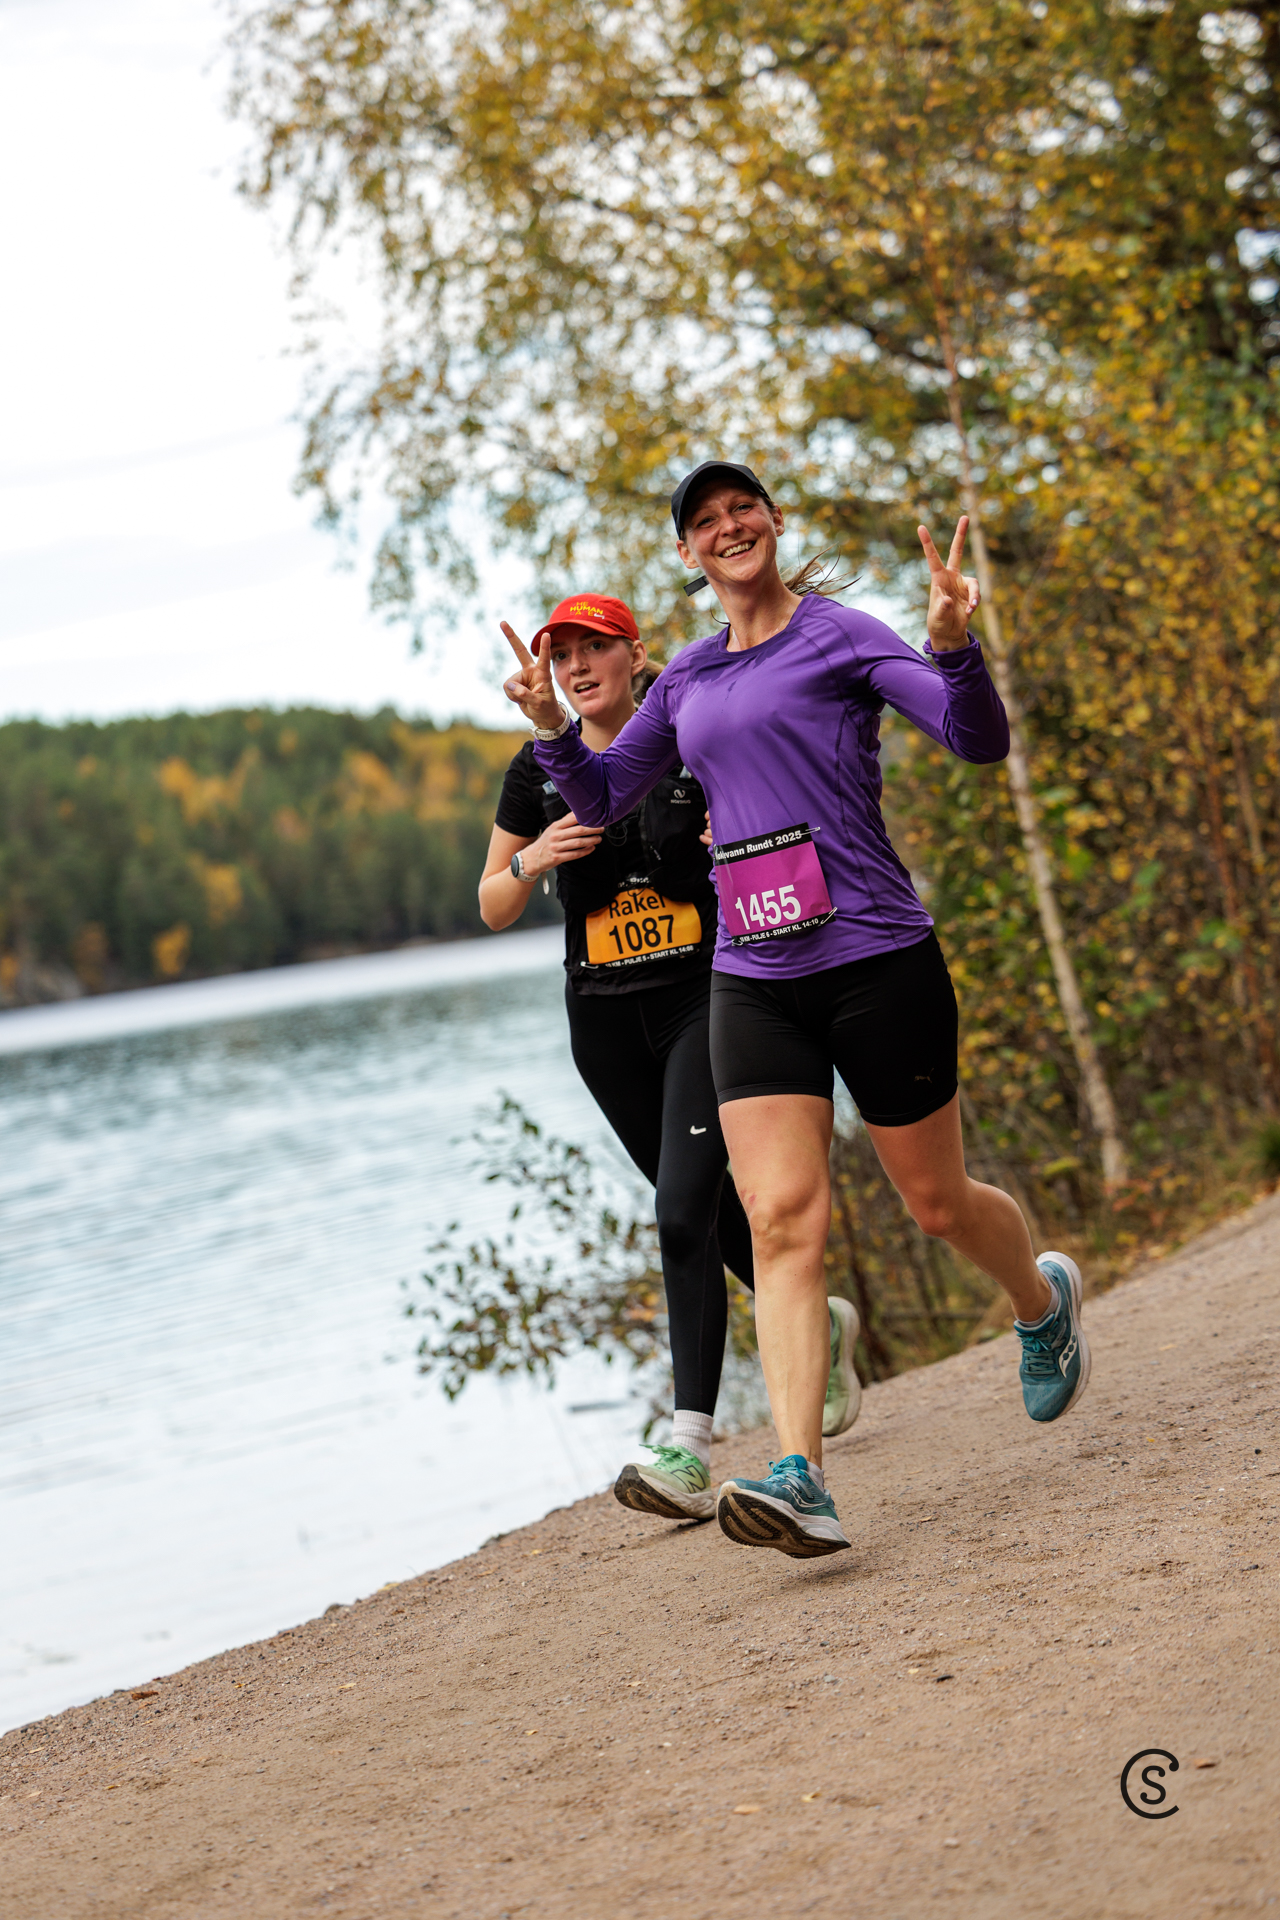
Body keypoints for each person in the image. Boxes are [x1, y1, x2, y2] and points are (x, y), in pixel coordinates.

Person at [500, 464, 1090, 1560]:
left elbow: (976, 741)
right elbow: (603, 796)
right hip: (752, 977)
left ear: (772, 523)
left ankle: (1037, 1300)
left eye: (742, 510)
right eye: (704, 521)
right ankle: (800, 1475)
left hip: (875, 957)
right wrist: (552, 732)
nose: (727, 527)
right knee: (776, 1219)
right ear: (687, 552)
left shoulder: (839, 636)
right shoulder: (684, 678)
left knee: (934, 1203)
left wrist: (953, 647)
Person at [480, 589, 863, 1525]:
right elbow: (491, 901)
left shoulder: (690, 734)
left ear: (634, 652)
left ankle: (688, 1441)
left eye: (593, 648)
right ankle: (819, 1323)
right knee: (699, 1208)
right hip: (602, 1022)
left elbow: (776, 816)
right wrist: (536, 858)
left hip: (706, 998)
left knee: (680, 1207)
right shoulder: (536, 770)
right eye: (561, 654)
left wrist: (730, 835)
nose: (577, 667)